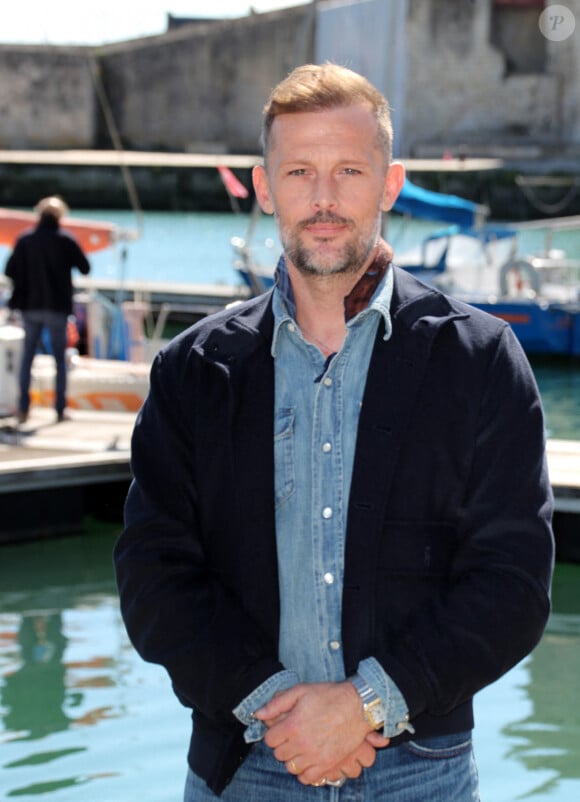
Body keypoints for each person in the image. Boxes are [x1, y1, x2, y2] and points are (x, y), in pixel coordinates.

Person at [114, 64, 554, 801]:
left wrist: (365, 706)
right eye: (299, 171)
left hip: (423, 777)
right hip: (243, 770)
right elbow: (153, 575)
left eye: (349, 169)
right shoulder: (193, 369)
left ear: (389, 183)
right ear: (263, 186)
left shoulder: (478, 360)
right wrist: (275, 709)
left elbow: (511, 585)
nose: (323, 197)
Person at [4, 195, 90, 423]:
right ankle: (59, 409)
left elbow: (10, 270)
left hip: (30, 307)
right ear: (60, 216)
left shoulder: (25, 240)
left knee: (27, 358)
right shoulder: (65, 240)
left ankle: (24, 408)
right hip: (57, 307)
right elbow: (85, 267)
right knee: (59, 359)